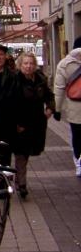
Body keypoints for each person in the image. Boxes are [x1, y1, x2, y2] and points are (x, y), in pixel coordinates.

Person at [14, 52, 56, 198]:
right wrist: (16, 123)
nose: (28, 66)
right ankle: (21, 184)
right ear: (20, 65)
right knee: (21, 153)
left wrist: (50, 108)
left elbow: (49, 95)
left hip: (36, 122)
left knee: (27, 152)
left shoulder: (40, 78)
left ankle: (18, 179)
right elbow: (10, 102)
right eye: (25, 63)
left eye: (31, 63)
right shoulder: (15, 80)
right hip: (20, 122)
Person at [54, 36, 81, 177]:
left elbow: (59, 89)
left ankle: (79, 164)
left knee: (77, 137)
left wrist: (57, 109)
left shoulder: (64, 64)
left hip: (74, 108)